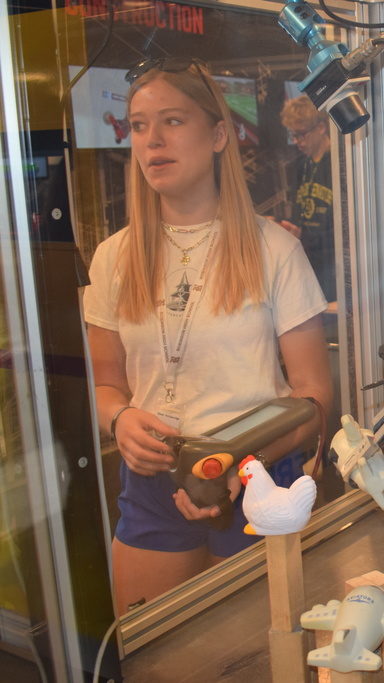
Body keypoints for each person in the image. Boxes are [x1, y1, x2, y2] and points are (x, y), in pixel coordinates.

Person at [83, 57, 332, 616]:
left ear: (219, 134)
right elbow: (104, 386)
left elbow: (314, 397)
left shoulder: (275, 251)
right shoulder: (114, 257)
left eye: (172, 121)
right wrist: (121, 420)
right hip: (151, 483)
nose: (152, 141)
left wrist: (237, 464)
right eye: (139, 125)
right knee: (153, 659)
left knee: (257, 661)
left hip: (257, 478)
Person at [277, 95, 337, 303]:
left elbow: (342, 226)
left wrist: (309, 238)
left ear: (321, 128)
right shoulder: (303, 165)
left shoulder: (337, 164)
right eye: (293, 135)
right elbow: (299, 209)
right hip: (307, 262)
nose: (297, 142)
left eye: (301, 135)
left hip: (331, 266)